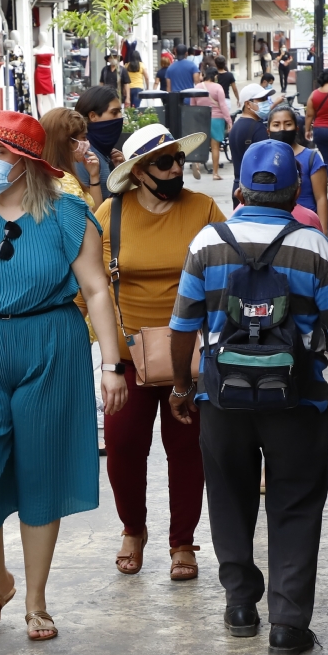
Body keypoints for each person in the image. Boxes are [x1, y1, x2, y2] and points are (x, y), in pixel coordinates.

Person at [167, 142, 328, 655]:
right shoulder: (313, 247)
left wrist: (180, 386)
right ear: (295, 193)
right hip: (297, 401)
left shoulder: (207, 243)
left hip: (222, 399)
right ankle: (287, 624)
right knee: (297, 503)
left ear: (240, 189)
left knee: (228, 495)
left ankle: (240, 605)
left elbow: (182, 325)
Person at [0, 111, 128, 642]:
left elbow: (94, 290)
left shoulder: (68, 214)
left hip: (51, 344)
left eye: (1, 154)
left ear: (27, 164)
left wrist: (111, 364)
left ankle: (36, 599)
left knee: (42, 470)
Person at [91, 124, 224, 581]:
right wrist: (108, 353)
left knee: (187, 448)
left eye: (178, 160)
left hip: (190, 354)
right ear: (139, 172)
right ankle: (133, 528)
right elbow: (92, 287)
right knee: (124, 443)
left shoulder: (204, 208)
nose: (176, 169)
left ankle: (182, 541)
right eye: (165, 163)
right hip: (128, 356)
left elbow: (226, 271)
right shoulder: (112, 214)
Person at [265, 103, 328, 233]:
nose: (282, 129)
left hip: (306, 227)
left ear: (296, 128)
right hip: (272, 228)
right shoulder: (262, 158)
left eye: (288, 124)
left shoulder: (312, 158)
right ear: (268, 130)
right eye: (276, 125)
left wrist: (323, 233)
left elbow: (321, 198)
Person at [74, 85, 126, 206]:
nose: (120, 118)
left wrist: (121, 172)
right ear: (93, 116)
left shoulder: (104, 153)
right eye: (114, 112)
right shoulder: (84, 156)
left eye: (120, 112)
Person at [40, 106, 102, 203]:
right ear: (67, 141)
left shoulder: (42, 177)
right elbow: (96, 216)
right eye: (83, 137)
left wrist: (94, 176)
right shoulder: (67, 184)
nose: (87, 142)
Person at [228, 83, 271, 182]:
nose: (265, 102)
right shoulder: (258, 128)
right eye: (261, 99)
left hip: (238, 185)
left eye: (266, 98)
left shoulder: (236, 126)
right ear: (248, 104)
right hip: (253, 188)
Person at [193, 67, 230, 181]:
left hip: (201, 118)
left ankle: (197, 165)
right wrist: (229, 120)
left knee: (199, 144)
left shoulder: (197, 87)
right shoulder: (218, 87)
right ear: (215, 76)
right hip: (216, 118)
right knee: (215, 147)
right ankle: (215, 173)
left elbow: (192, 105)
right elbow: (223, 105)